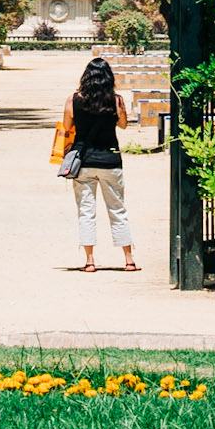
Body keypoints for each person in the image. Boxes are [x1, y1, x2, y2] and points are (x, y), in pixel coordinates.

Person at [63, 56, 139, 272]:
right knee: (118, 210)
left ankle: (89, 261)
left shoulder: (73, 100)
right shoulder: (116, 100)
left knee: (86, 212)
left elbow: (67, 126)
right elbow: (123, 125)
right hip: (110, 160)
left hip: (83, 162)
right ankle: (128, 260)